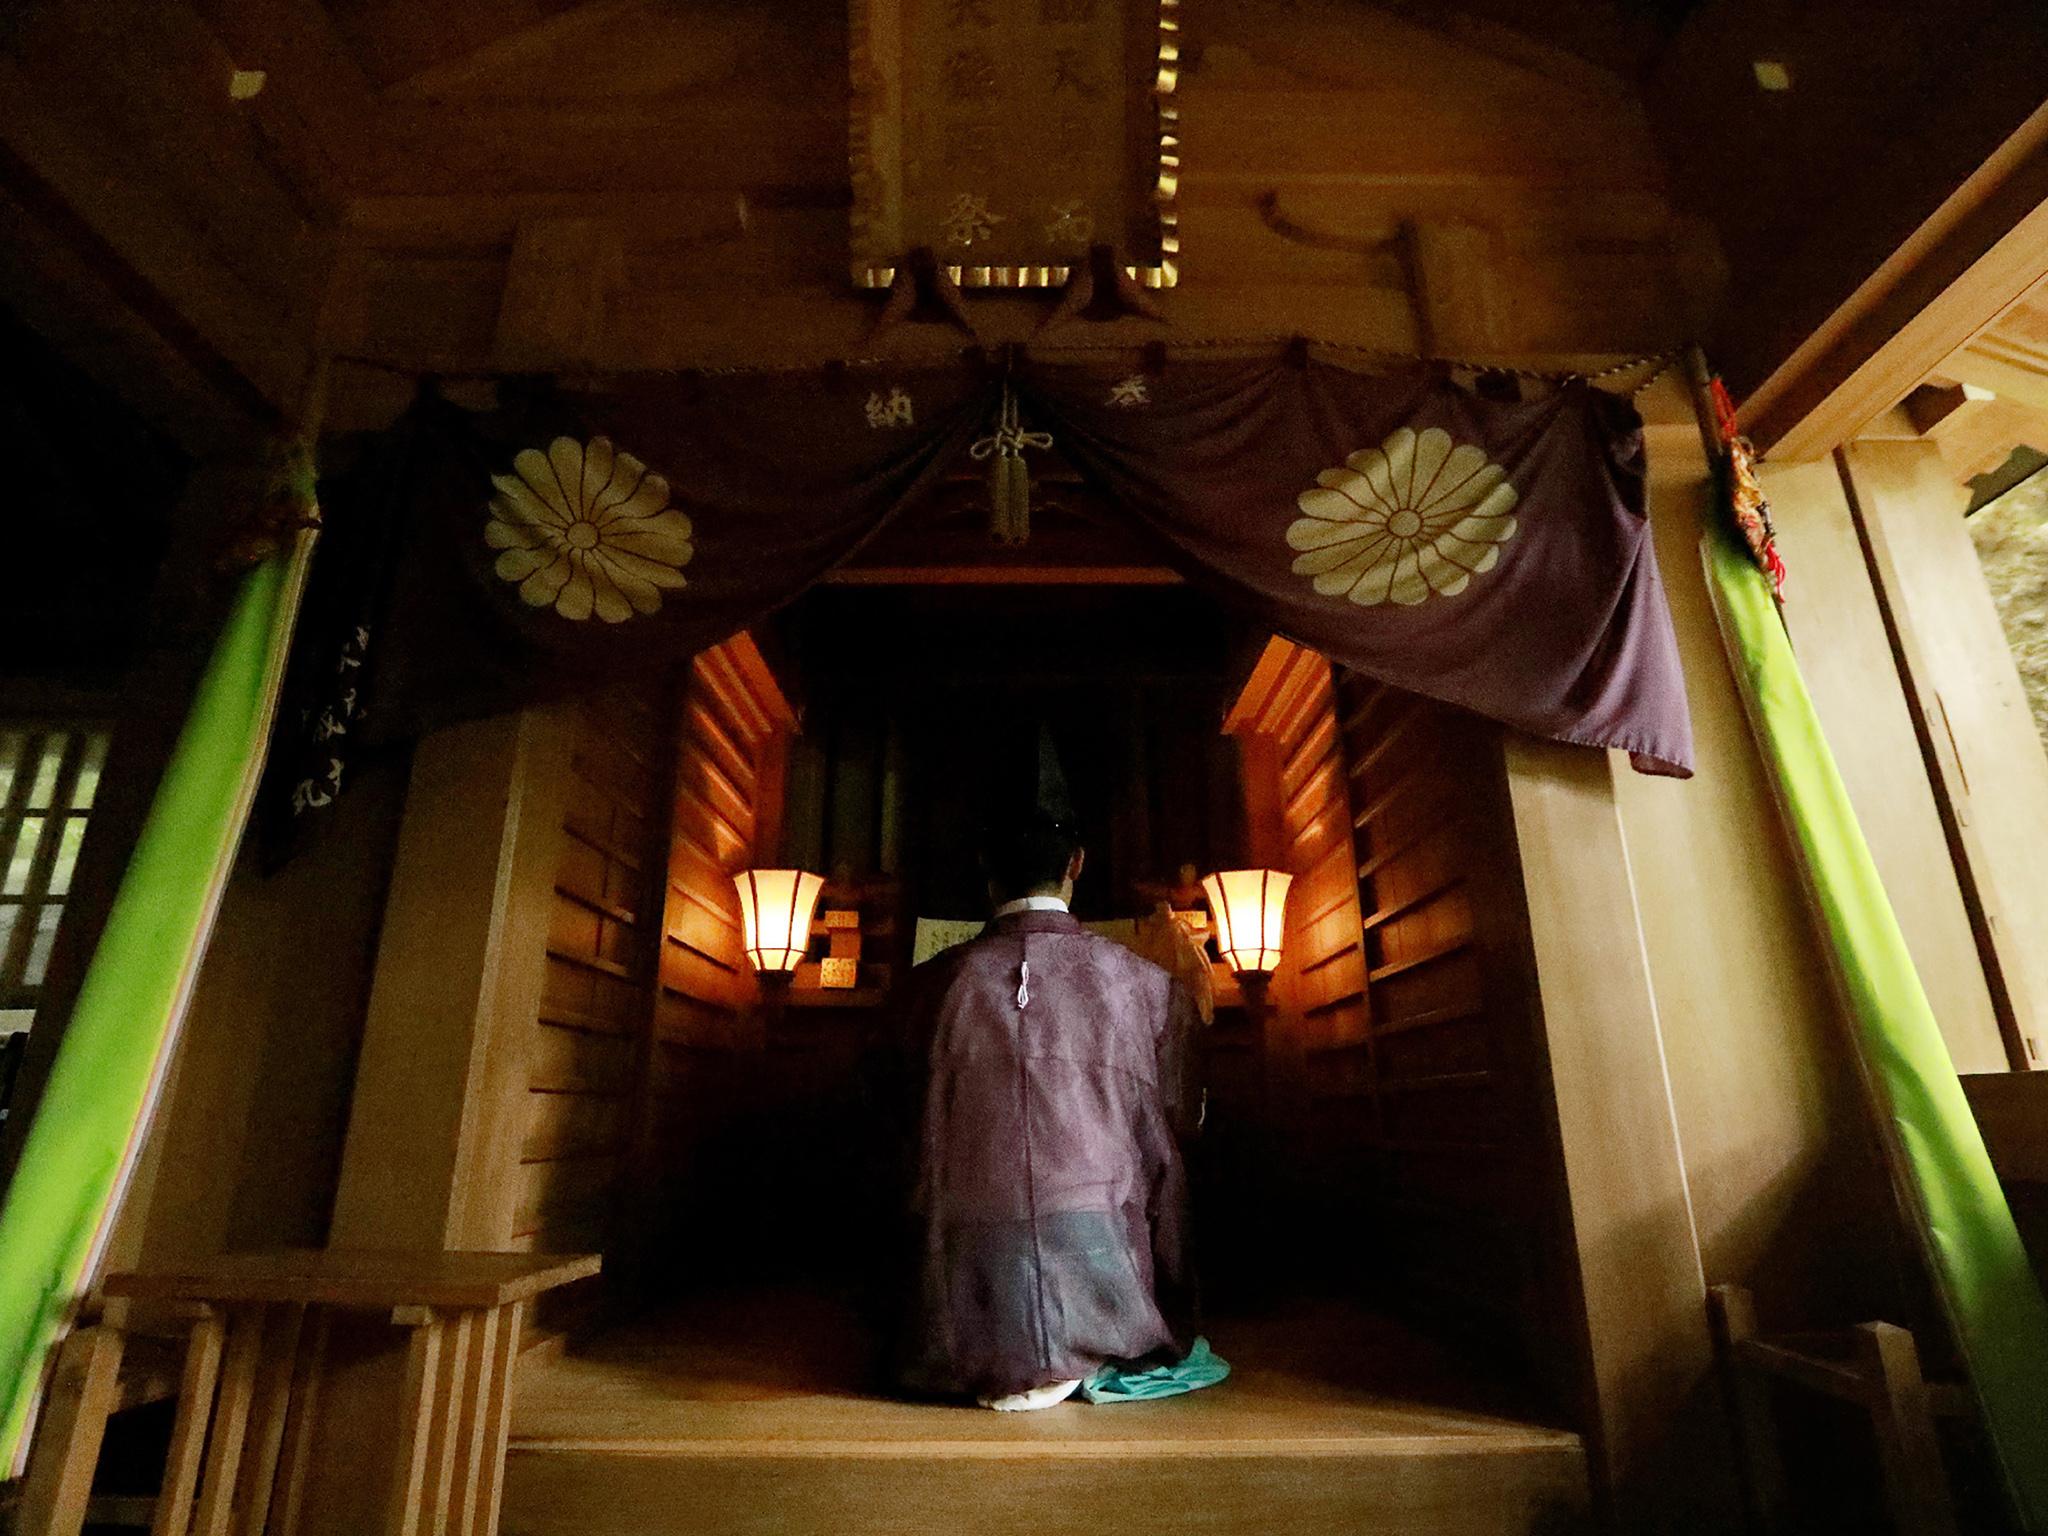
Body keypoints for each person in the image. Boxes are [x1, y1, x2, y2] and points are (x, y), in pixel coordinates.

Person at [893, 797, 1207, 1411]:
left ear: (985, 864)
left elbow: (887, 1144)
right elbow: (1176, 1144)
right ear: (1077, 864)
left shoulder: (922, 992)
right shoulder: (1149, 990)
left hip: (947, 1326)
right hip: (1109, 1300)